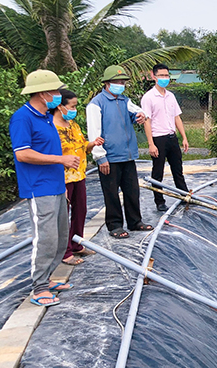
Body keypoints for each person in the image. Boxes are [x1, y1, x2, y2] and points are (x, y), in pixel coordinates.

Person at [9, 70, 80, 307]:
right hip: (39, 188)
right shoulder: (23, 118)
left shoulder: (46, 117)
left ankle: (48, 279)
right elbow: (23, 153)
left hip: (57, 185)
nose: (59, 95)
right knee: (46, 238)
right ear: (42, 93)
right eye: (55, 91)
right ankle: (38, 287)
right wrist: (61, 160)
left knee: (60, 237)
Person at [87, 65, 153, 239]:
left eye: (123, 82)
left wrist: (140, 116)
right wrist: (100, 157)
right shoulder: (97, 104)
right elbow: (94, 132)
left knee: (132, 190)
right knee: (111, 193)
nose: (120, 85)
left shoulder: (124, 101)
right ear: (107, 83)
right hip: (109, 156)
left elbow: (138, 112)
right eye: (117, 82)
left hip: (127, 154)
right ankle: (115, 225)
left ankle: (135, 221)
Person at [52, 89, 104, 265]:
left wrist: (92, 144)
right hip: (62, 177)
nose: (74, 110)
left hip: (79, 174)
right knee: (62, 215)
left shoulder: (73, 125)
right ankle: (65, 252)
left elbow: (83, 147)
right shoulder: (51, 128)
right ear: (60, 107)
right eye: (72, 106)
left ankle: (77, 243)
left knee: (80, 210)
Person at [142, 63, 190, 211]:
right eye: (161, 75)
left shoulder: (171, 96)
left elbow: (177, 117)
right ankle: (159, 201)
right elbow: (146, 121)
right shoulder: (148, 98)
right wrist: (151, 143)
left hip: (171, 137)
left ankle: (184, 194)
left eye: (166, 75)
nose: (164, 78)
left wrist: (184, 137)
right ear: (154, 76)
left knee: (177, 169)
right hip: (158, 138)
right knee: (158, 172)